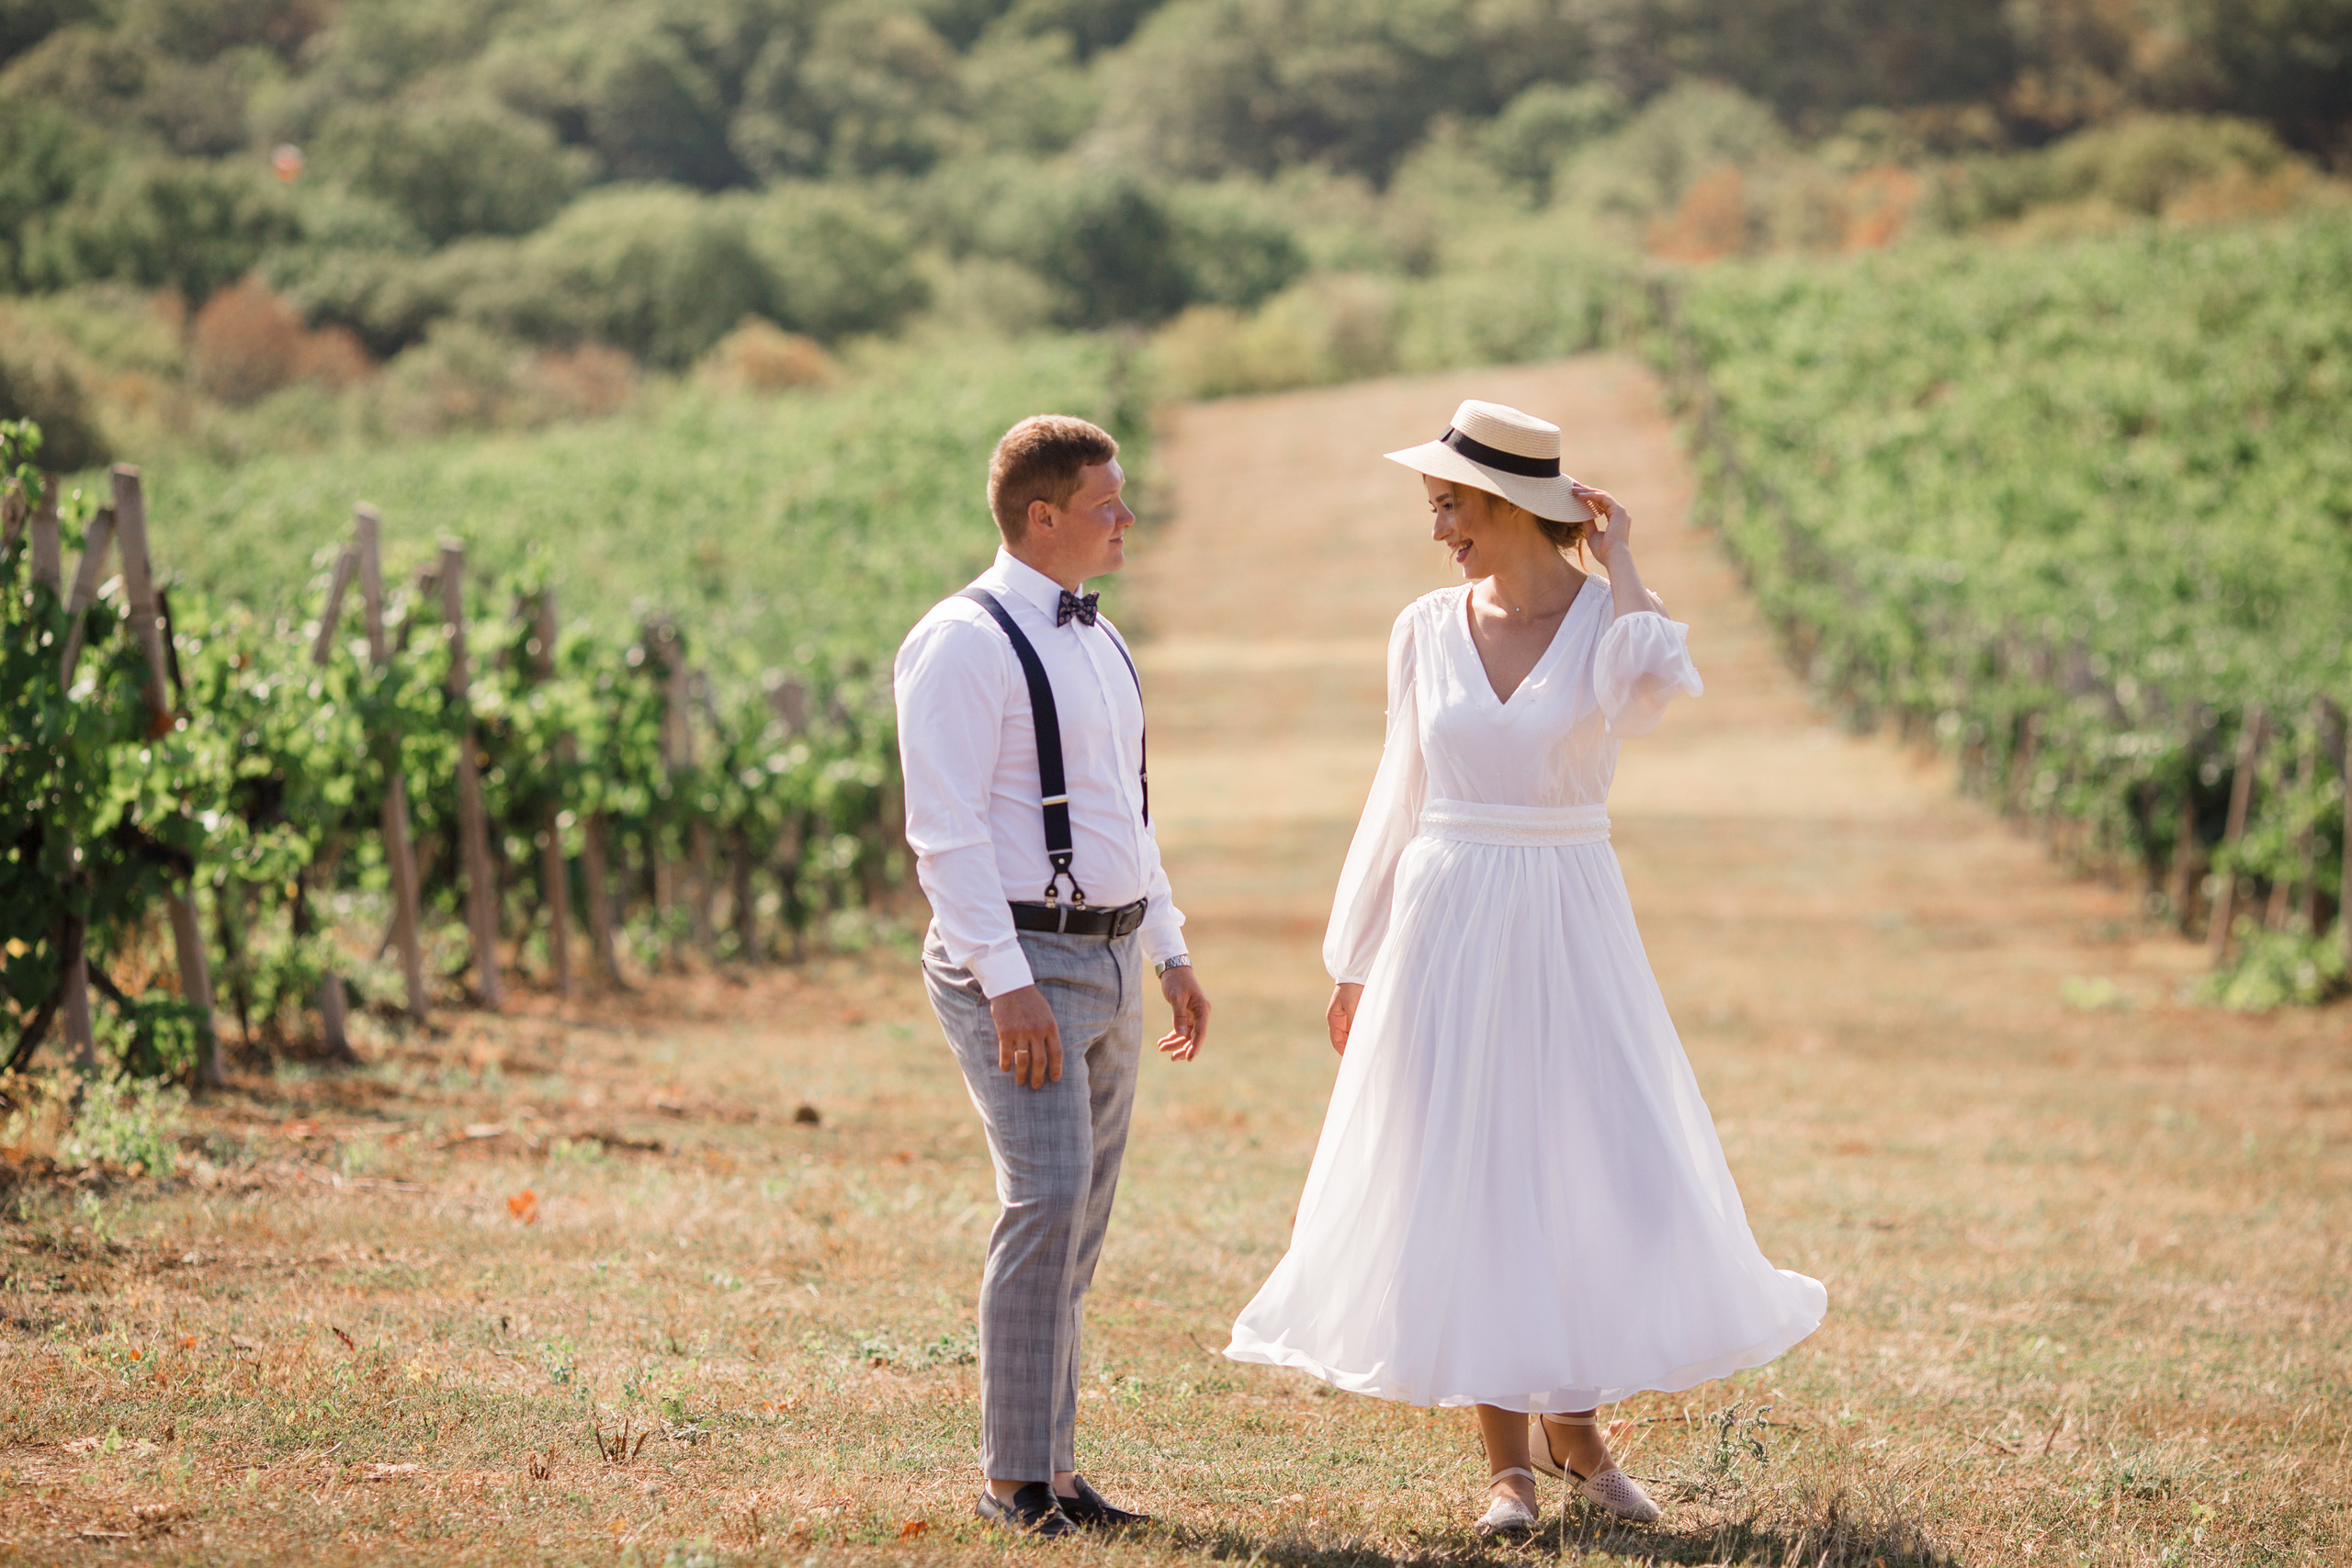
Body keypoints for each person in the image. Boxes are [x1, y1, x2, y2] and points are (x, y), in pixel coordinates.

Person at [1225, 399, 1826, 1536]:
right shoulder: (1421, 627)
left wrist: (1623, 557)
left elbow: (1648, 694)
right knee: (1475, 1170)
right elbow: (1398, 790)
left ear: (1507, 503)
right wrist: (1355, 955)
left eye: (1448, 505)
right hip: (1446, 917)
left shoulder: (1610, 623)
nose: (1436, 529)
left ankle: (1578, 1434)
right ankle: (1508, 1466)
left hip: (1567, 913)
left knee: (1595, 1168)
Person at [896, 414, 1213, 1538]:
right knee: (1045, 1201)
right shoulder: (960, 641)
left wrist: (1169, 949)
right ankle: (1011, 1482)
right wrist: (1005, 982)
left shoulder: (1101, 637)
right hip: (1019, 960)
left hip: (1113, 954)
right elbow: (942, 835)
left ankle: (1057, 1472)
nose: (1126, 517)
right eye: (1104, 502)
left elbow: (1129, 813)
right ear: (1042, 517)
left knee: (1079, 1220)